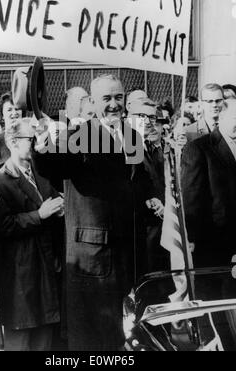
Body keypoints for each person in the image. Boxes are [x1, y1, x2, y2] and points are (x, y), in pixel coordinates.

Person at [33, 75, 162, 351]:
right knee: (92, 341)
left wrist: (151, 199)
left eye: (119, 97)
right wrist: (43, 143)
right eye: (106, 99)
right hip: (92, 261)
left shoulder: (131, 136)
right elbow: (53, 165)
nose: (114, 105)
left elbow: (138, 183)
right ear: (92, 102)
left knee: (122, 338)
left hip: (129, 257)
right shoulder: (80, 135)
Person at [0, 119, 63, 351]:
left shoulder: (42, 175)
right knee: (20, 339)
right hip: (20, 273)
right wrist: (39, 215)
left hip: (46, 267)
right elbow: (3, 226)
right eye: (31, 139)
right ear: (12, 142)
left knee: (44, 339)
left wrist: (61, 209)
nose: (36, 144)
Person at [181, 97, 236, 267]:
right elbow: (191, 197)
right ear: (221, 117)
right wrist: (191, 237)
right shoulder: (199, 148)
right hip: (213, 241)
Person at [127, 99, 168, 272]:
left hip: (156, 230)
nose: (148, 121)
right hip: (136, 231)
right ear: (128, 117)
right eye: (141, 116)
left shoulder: (150, 146)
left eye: (152, 117)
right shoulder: (124, 146)